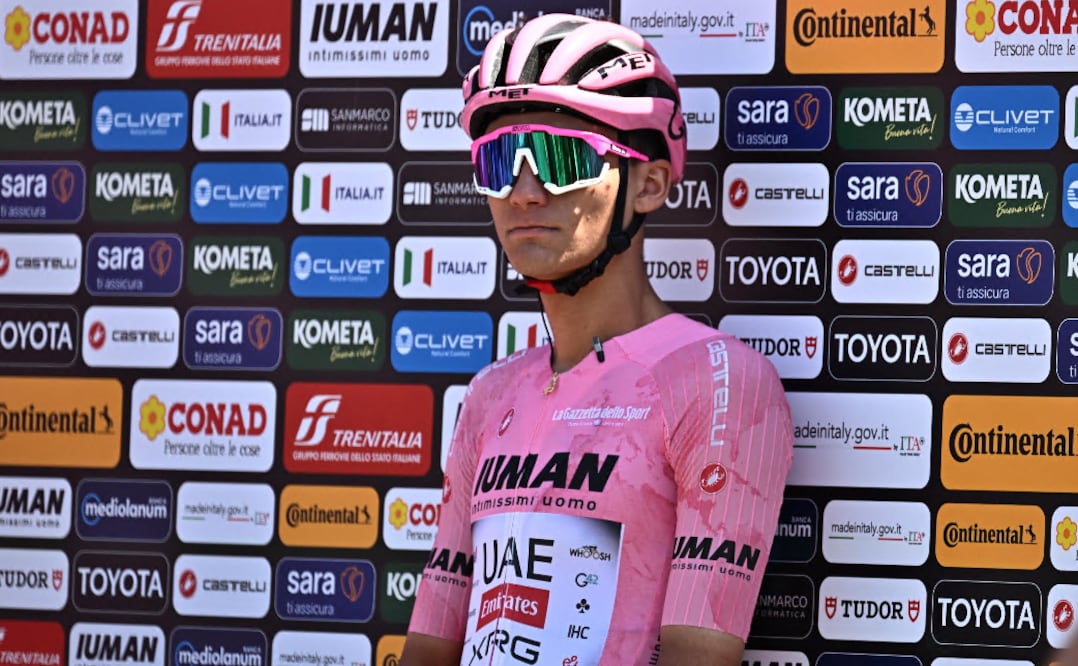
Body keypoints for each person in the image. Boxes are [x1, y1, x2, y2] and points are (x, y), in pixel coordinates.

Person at [401, 13, 794, 666]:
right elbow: (429, 645)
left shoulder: (716, 380)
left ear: (649, 184)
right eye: (498, 161)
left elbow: (698, 656)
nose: (525, 192)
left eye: (562, 158)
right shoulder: (490, 393)